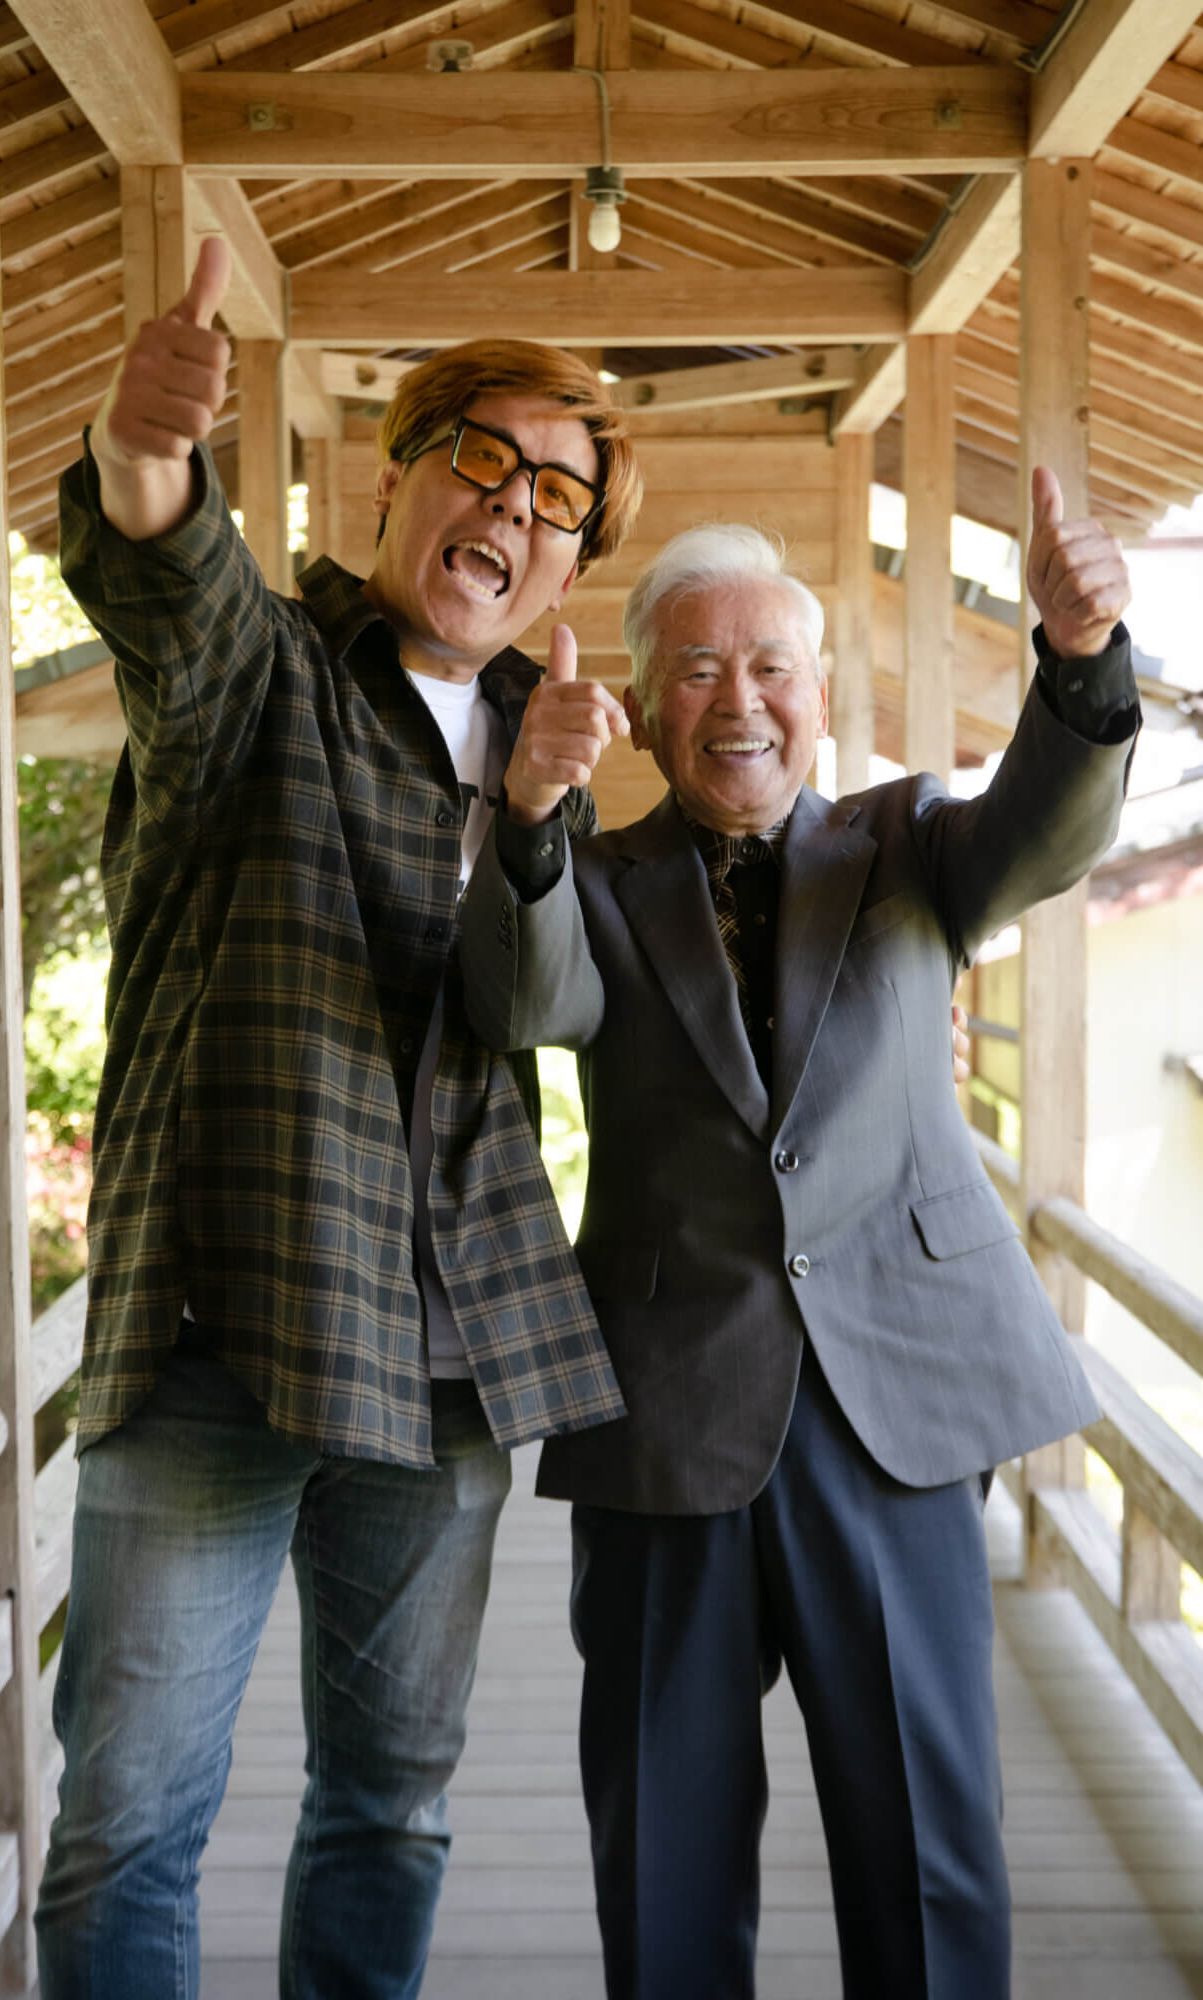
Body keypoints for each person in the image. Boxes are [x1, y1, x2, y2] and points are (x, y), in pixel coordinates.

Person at [33, 236, 645, 1999]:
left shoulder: (558, 742)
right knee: (130, 1817)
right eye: (483, 459)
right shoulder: (267, 671)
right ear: (399, 468)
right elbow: (172, 583)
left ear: (564, 562)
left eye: (557, 498)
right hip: (222, 1324)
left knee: (394, 1808)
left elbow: (555, 1002)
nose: (512, 512)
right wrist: (145, 451)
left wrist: (536, 814)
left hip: (447, 1360)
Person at [459, 471, 1138, 2000]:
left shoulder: (912, 850)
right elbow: (517, 999)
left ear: (822, 696)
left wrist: (1080, 653)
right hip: (663, 1412)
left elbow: (1050, 818)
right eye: (696, 669)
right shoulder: (593, 879)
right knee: (664, 1848)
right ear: (640, 703)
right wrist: (524, 818)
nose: (738, 700)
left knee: (922, 1840)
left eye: (770, 666)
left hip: (895, 1407)